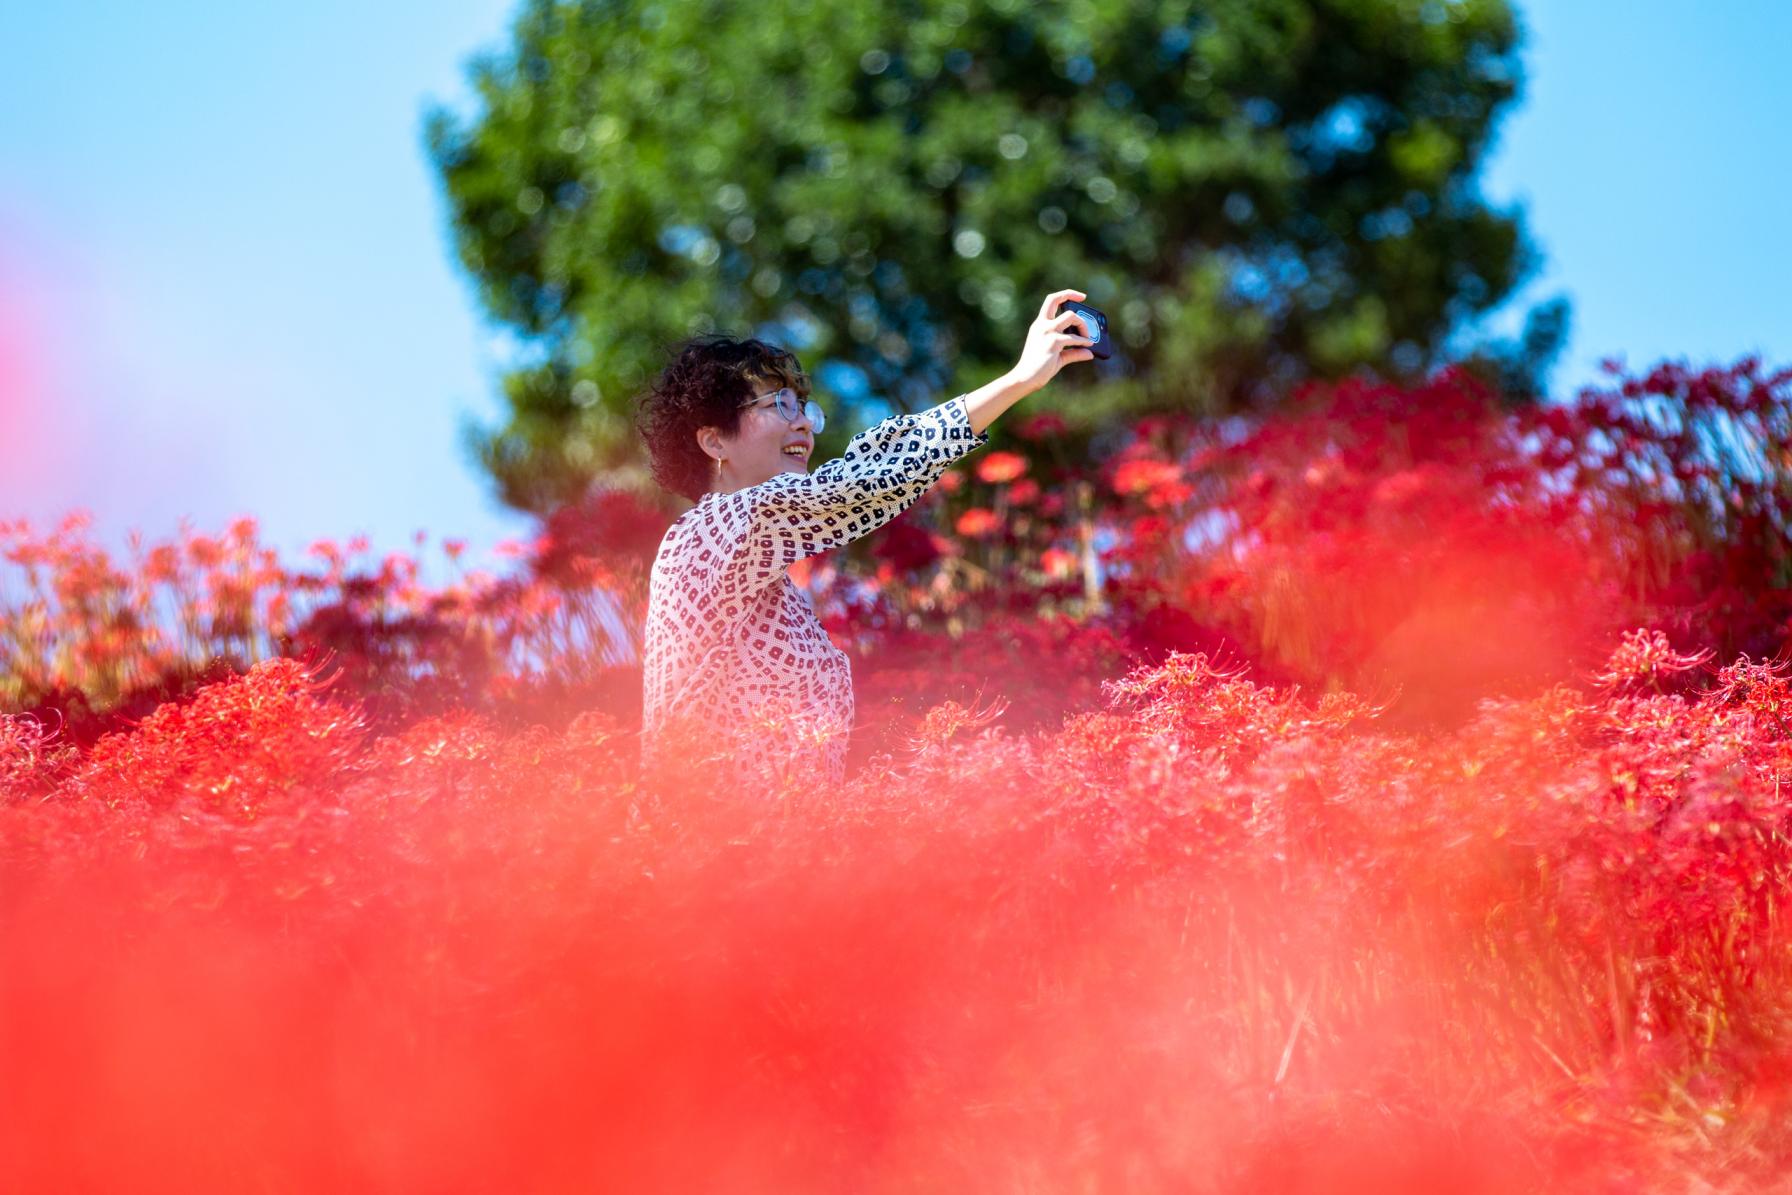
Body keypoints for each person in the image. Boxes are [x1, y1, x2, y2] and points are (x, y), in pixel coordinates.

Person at [633, 288, 1097, 786]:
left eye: (805, 407)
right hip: (706, 848)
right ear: (714, 440)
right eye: (781, 403)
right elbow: (865, 480)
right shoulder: (710, 532)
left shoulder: (764, 568)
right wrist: (1019, 380)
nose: (803, 425)